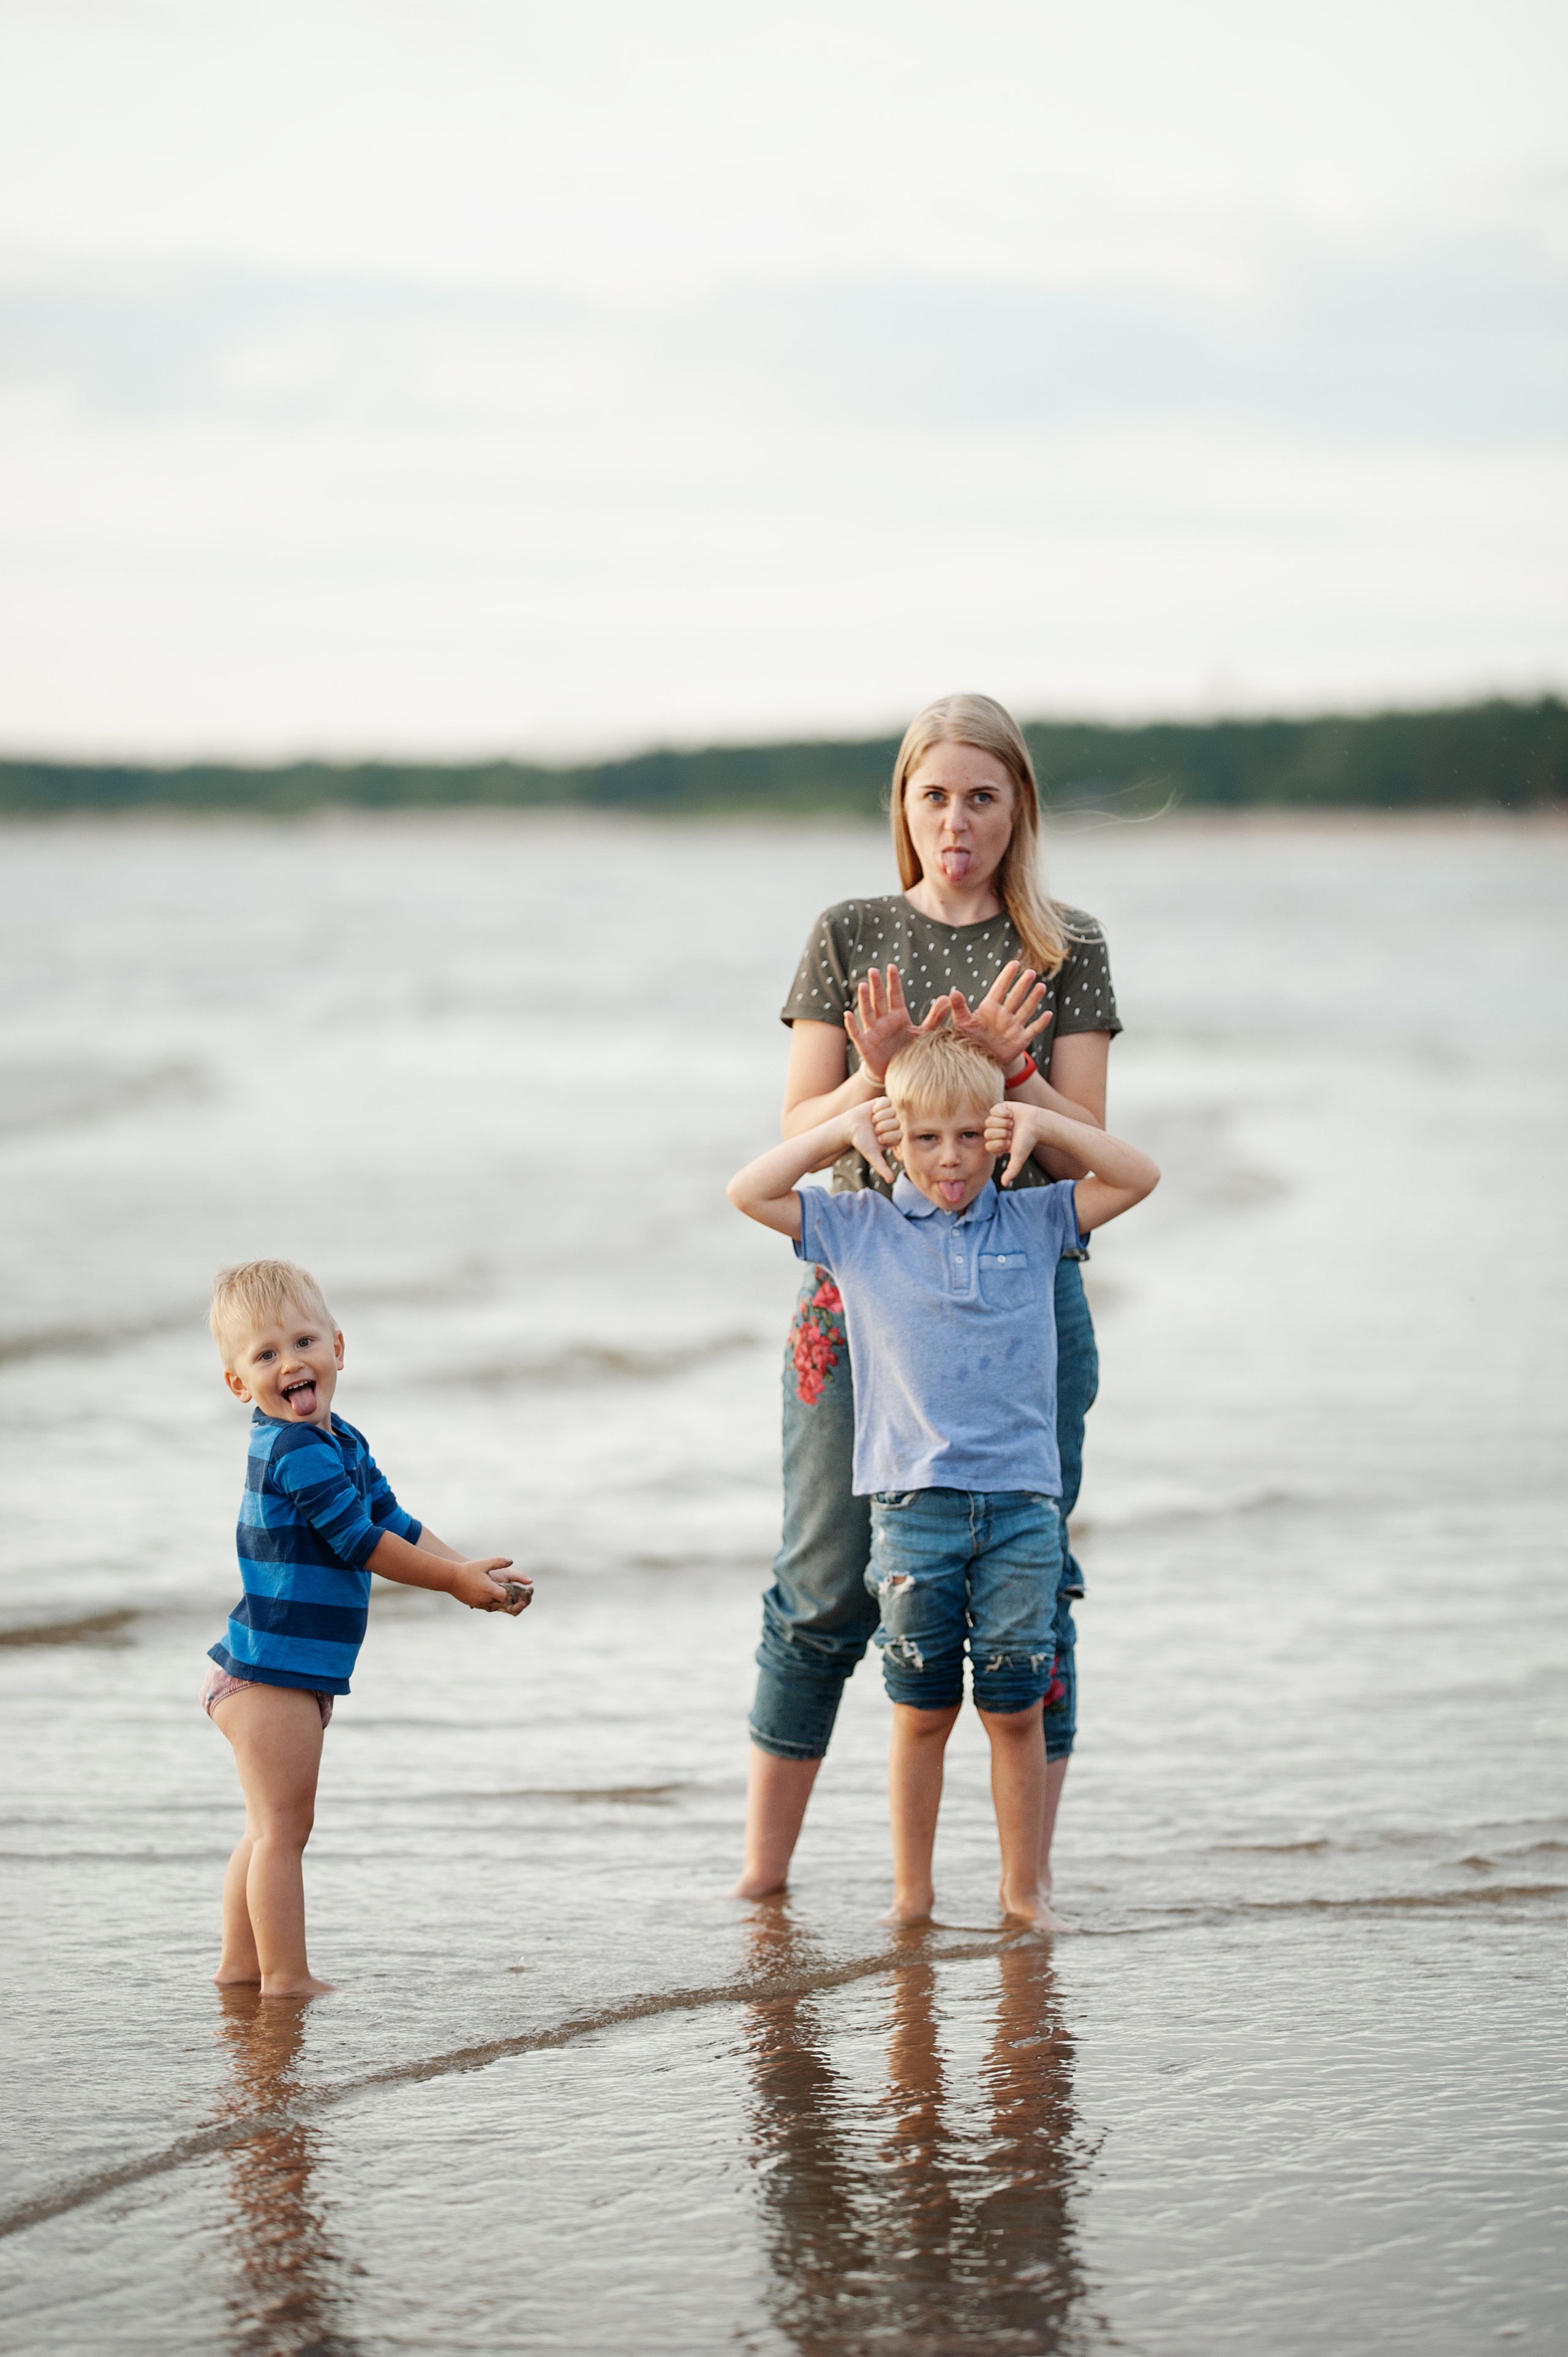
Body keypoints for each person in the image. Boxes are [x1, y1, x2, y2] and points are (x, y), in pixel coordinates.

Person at [737, 692, 1122, 1901]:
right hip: (860, 1296)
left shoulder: (1065, 946)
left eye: (981, 796)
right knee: (821, 1585)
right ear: (903, 808)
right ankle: (764, 1878)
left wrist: (1013, 1068)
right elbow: (799, 1126)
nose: (956, 819)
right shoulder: (850, 932)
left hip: (1019, 1302)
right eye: (933, 795)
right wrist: (878, 1064)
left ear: (1018, 809)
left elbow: (1084, 1151)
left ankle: (1027, 1882)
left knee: (1027, 1586)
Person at [728, 1030, 1158, 1924]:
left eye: (971, 1135)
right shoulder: (859, 1228)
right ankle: (911, 1896)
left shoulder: (1037, 1221)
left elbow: (1138, 1175)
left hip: (1021, 1511)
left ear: (998, 1136)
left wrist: (1041, 1114)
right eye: (926, 1138)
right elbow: (750, 1190)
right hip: (913, 1513)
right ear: (894, 1140)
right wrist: (842, 1125)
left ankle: (1023, 1890)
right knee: (920, 1710)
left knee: (1012, 1708)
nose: (951, 1158)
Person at [201, 1258, 530, 1997]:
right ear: (238, 1383)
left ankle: (240, 1968)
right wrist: (452, 1581)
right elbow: (359, 1542)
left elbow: (392, 1519)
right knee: (284, 1832)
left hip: (281, 1667)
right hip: (270, 1672)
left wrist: (466, 1570)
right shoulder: (293, 1449)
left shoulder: (339, 1439)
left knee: (265, 1829)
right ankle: (286, 1978)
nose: (290, 1362)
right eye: (265, 1354)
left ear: (338, 1348)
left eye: (303, 1341)